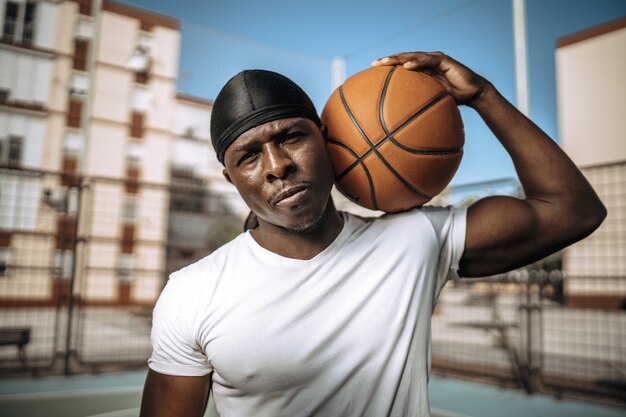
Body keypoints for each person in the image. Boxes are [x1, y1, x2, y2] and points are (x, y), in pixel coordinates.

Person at [139, 51, 606, 417]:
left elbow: (573, 211)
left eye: (291, 137)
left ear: (327, 140)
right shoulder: (192, 293)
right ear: (231, 178)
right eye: (248, 156)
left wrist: (482, 95)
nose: (277, 165)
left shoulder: (415, 239)